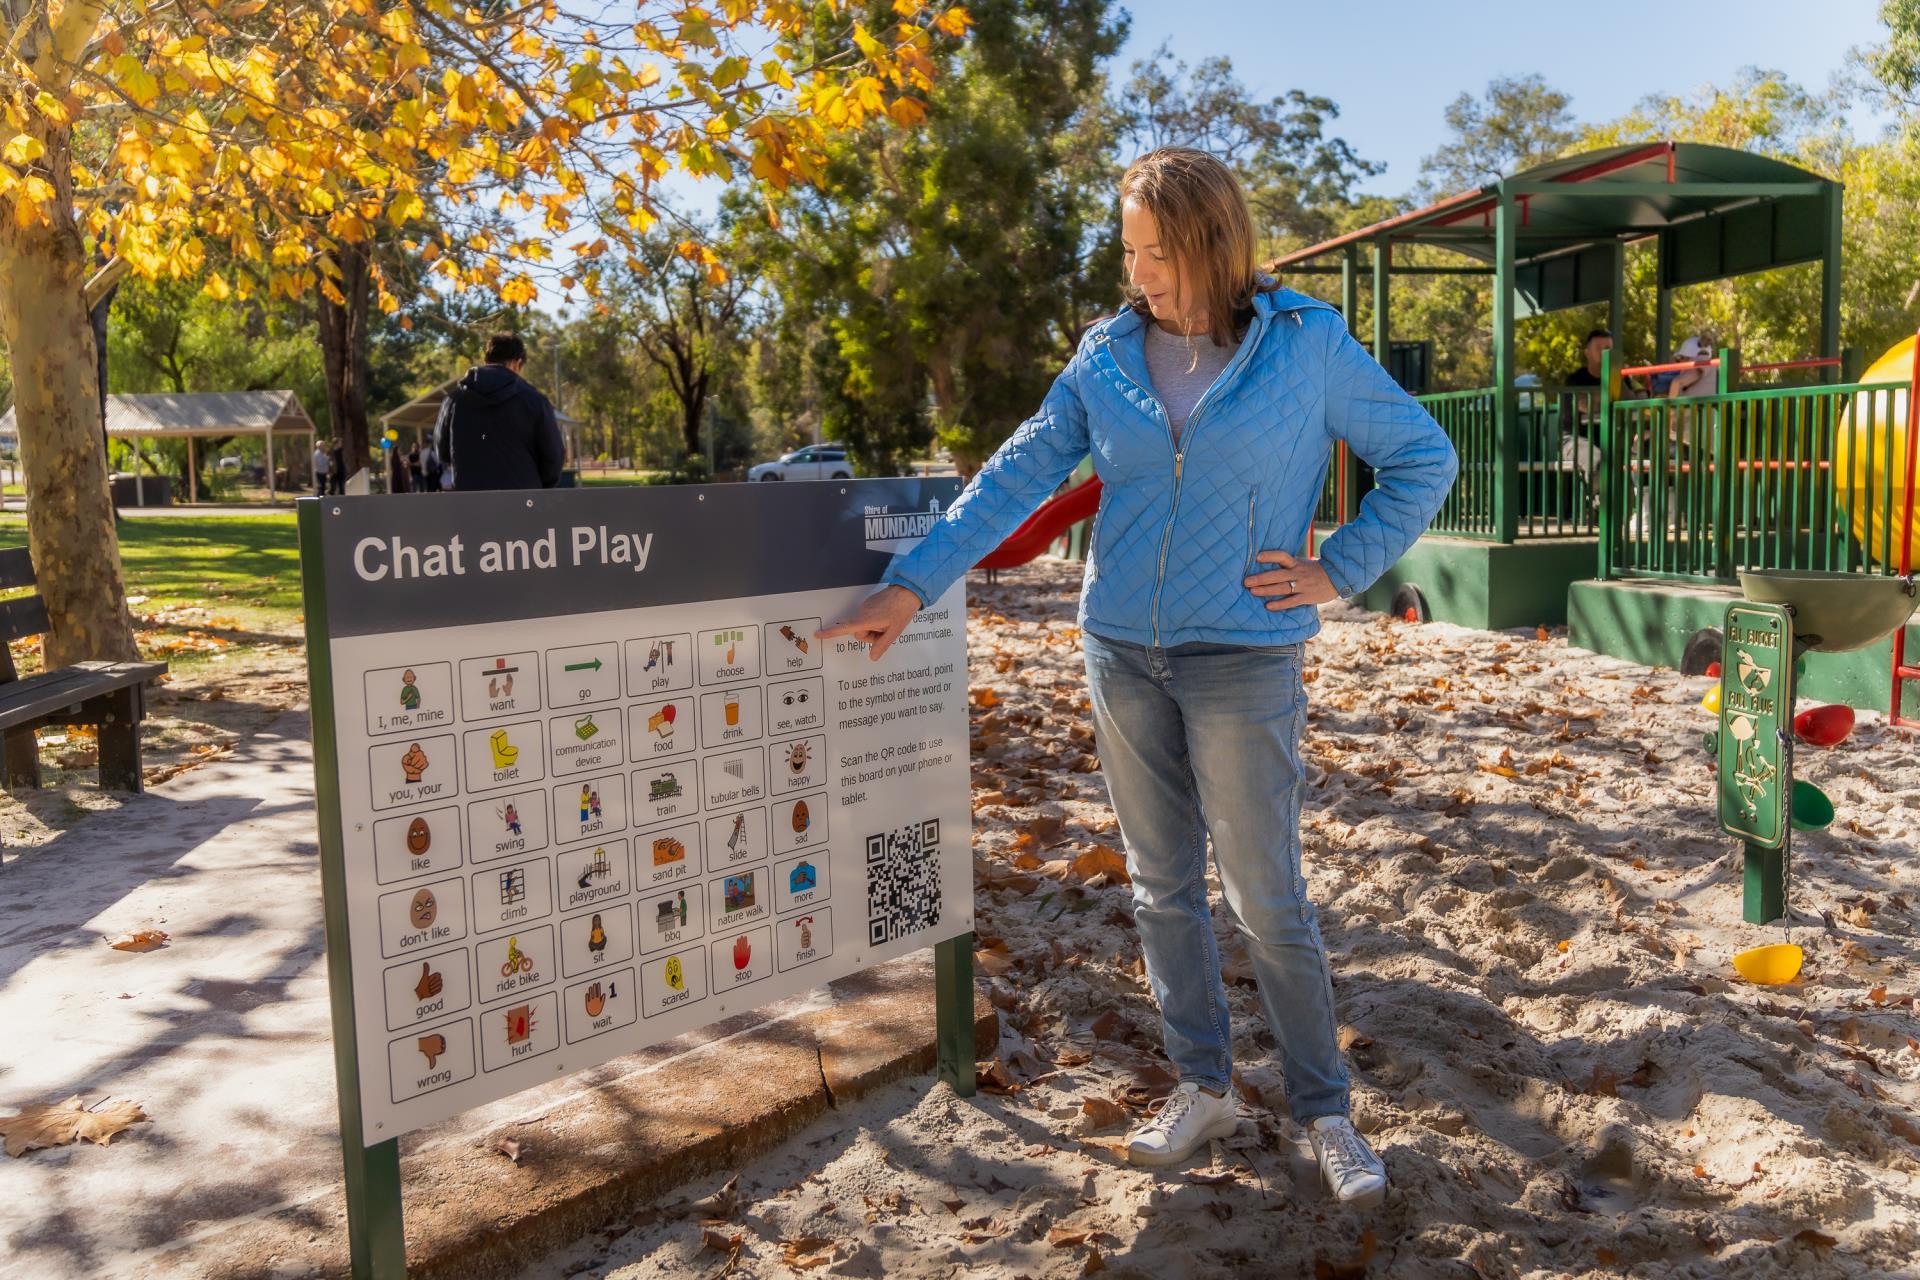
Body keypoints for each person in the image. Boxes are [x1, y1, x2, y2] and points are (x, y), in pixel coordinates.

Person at [820, 147, 1457, 1210]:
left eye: (1156, 250)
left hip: (1245, 654)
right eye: (1128, 248)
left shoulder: (1306, 344)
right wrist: (911, 584)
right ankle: (1203, 1083)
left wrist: (1335, 569)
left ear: (1213, 242)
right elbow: (1016, 473)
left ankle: (1325, 1108)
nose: (1138, 271)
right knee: (1162, 888)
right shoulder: (1106, 354)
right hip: (1120, 649)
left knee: (1265, 893)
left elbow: (1423, 458)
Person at [432, 332, 564, 491]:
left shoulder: (453, 400)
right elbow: (553, 457)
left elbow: (442, 452)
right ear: (517, 363)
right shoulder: (535, 400)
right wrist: (537, 488)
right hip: (524, 501)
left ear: (486, 360)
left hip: (470, 501)